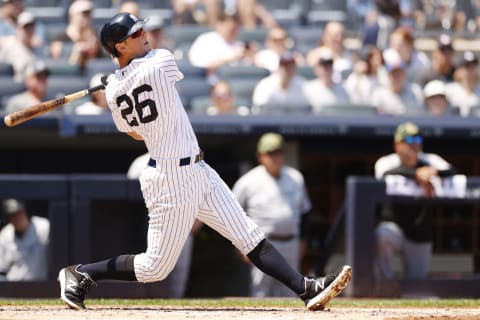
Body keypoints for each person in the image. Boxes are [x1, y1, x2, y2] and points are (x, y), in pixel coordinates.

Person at [57, 13, 351, 311]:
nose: (145, 33)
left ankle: (305, 288)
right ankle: (82, 273)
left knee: (248, 235)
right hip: (171, 178)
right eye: (135, 34)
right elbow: (148, 80)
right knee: (153, 268)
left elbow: (135, 134)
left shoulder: (114, 92)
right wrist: (125, 77)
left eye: (142, 29)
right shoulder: (160, 60)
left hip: (197, 169)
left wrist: (120, 81)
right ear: (120, 47)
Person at [232, 132, 312, 297]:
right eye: (270, 153)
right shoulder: (247, 181)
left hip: (291, 242)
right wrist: (239, 246)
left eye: (278, 152)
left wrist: (303, 241)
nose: (275, 157)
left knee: (292, 292)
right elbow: (232, 215)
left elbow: (305, 212)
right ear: (260, 156)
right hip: (261, 245)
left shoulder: (296, 177)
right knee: (260, 292)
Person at [374, 122, 456, 279]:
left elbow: (452, 171)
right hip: (395, 227)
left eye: (418, 139)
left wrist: (434, 171)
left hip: (420, 231)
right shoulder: (386, 162)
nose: (415, 144)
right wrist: (416, 174)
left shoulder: (430, 160)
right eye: (409, 140)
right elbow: (383, 175)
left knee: (417, 286)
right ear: (397, 145)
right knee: (382, 234)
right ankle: (386, 281)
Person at [127, 152, 204, 298]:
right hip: (152, 224)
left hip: (182, 223)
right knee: (148, 269)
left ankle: (175, 308)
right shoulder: (140, 162)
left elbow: (204, 192)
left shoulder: (191, 159)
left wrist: (197, 223)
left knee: (179, 275)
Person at [0, 198, 50, 281]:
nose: (17, 219)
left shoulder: (44, 227)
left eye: (19, 214)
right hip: (13, 288)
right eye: (13, 216)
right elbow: (2, 268)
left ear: (26, 213)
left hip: (40, 286)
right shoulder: (5, 234)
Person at [49, 0, 101, 68]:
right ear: (72, 16)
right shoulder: (59, 39)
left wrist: (94, 52)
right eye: (84, 13)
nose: (88, 17)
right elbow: (58, 67)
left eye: (89, 13)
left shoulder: (96, 37)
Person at [370, 49, 423, 115]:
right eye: (394, 74)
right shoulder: (379, 93)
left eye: (399, 74)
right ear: (389, 76)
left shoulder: (415, 91)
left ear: (404, 75)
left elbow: (419, 116)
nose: (397, 77)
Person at [0, 11, 47, 82]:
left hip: (35, 87)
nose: (28, 31)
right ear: (18, 29)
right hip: (15, 87)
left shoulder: (39, 48)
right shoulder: (9, 45)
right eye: (25, 28)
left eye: (31, 27)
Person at [302, 48, 351, 114]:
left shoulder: (343, 89)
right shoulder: (308, 89)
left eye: (329, 65)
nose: (327, 69)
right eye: (323, 65)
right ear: (316, 68)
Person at [445, 51, 480, 117]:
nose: (470, 70)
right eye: (467, 66)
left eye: (473, 66)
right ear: (459, 70)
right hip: (454, 126)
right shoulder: (449, 90)